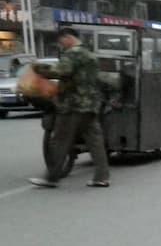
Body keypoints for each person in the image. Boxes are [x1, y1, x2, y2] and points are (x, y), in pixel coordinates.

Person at [29, 29, 110, 189]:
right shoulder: (90, 54)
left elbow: (60, 71)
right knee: (95, 142)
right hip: (90, 105)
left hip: (72, 105)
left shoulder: (72, 54)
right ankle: (102, 177)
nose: (61, 45)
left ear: (68, 37)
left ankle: (51, 178)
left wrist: (38, 69)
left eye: (61, 41)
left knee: (59, 141)